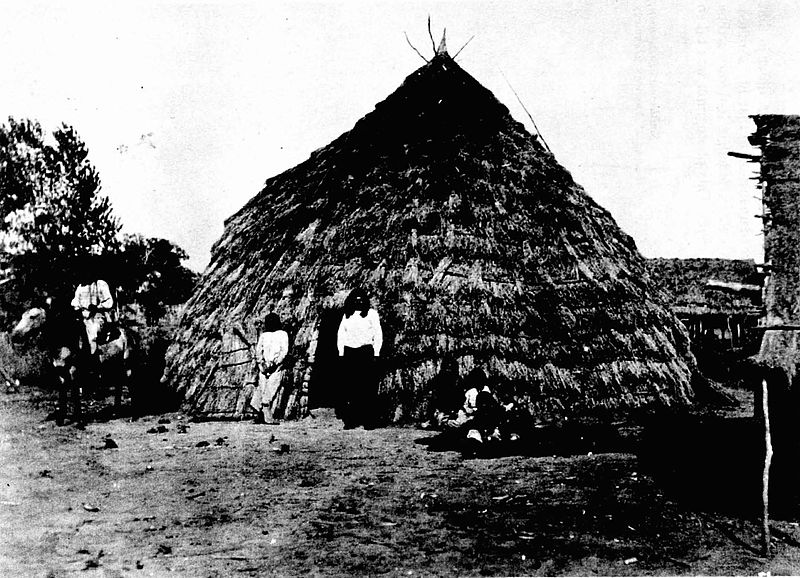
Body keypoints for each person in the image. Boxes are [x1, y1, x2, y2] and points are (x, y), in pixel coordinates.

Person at [336, 287, 382, 429]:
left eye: (361, 300)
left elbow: (378, 333)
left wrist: (376, 353)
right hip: (350, 353)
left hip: (365, 352)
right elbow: (341, 335)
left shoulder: (372, 314)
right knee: (350, 388)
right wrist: (341, 353)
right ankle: (351, 420)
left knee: (367, 388)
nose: (358, 303)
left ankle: (368, 420)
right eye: (355, 300)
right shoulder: (347, 315)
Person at [249, 313, 289, 424]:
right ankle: (266, 416)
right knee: (270, 389)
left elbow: (258, 352)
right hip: (274, 367)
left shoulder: (264, 335)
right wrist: (273, 364)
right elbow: (284, 352)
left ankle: (260, 413)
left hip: (267, 367)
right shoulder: (282, 334)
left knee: (264, 388)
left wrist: (262, 365)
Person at [71, 264, 116, 355]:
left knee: (92, 332)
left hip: (98, 317)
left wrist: (98, 307)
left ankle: (93, 358)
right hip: (83, 317)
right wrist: (77, 308)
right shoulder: (80, 287)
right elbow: (75, 302)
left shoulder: (100, 284)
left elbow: (109, 302)